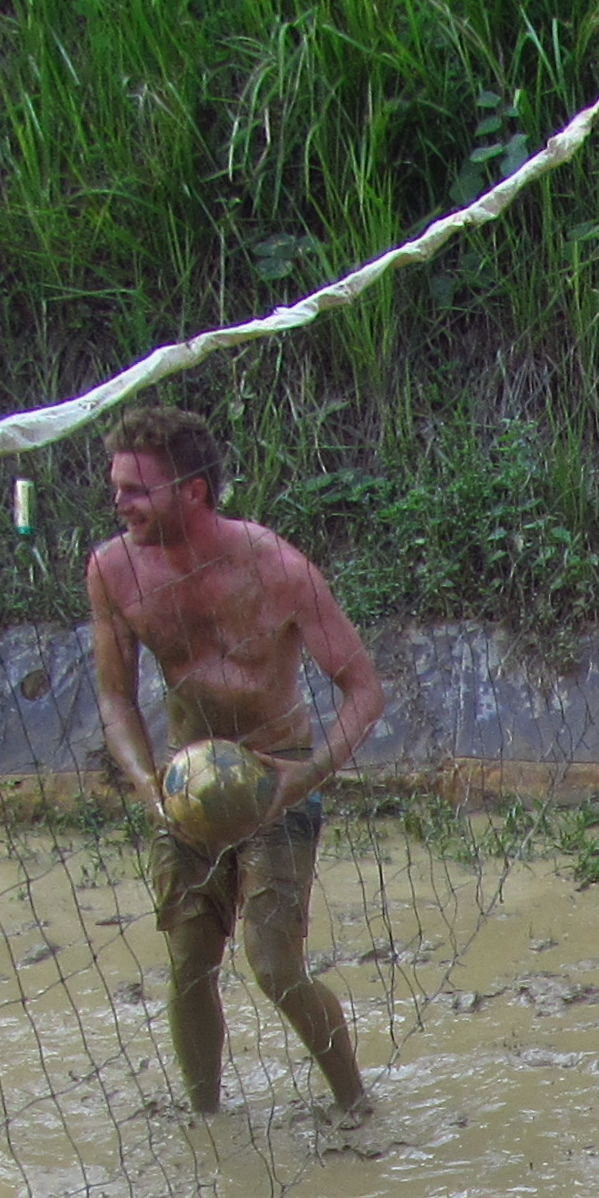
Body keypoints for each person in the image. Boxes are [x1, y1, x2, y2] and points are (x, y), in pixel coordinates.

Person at [85, 403, 388, 1118]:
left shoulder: (278, 568)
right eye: (117, 486)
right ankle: (206, 1121)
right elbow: (115, 699)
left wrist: (303, 777)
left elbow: (365, 691)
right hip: (183, 782)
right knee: (189, 964)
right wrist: (147, 783)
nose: (119, 503)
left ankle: (355, 1106)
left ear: (192, 490)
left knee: (276, 966)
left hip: (276, 775)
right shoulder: (113, 570)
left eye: (136, 489)